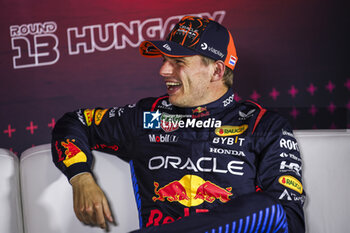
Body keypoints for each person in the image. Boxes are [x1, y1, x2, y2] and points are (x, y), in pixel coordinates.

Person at [52, 16, 305, 232]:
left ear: (216, 71)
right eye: (164, 60)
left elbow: (288, 219)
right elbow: (75, 122)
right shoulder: (147, 116)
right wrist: (80, 177)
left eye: (178, 62)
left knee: (271, 207)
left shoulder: (264, 126)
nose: (163, 70)